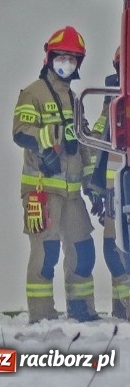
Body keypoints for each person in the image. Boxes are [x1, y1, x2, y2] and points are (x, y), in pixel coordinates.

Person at [13, 26, 98, 322]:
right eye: (62, 57)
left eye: (73, 59)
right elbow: (21, 132)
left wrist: (94, 184)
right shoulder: (32, 93)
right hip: (43, 190)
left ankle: (81, 309)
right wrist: (53, 137)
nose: (67, 63)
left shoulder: (76, 100)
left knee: (83, 251)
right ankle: (42, 315)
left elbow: (85, 144)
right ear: (49, 58)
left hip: (73, 193)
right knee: (46, 255)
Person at [87, 46, 130, 318]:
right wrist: (98, 190)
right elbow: (100, 149)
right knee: (114, 250)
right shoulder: (113, 103)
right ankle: (121, 311)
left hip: (124, 188)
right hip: (115, 190)